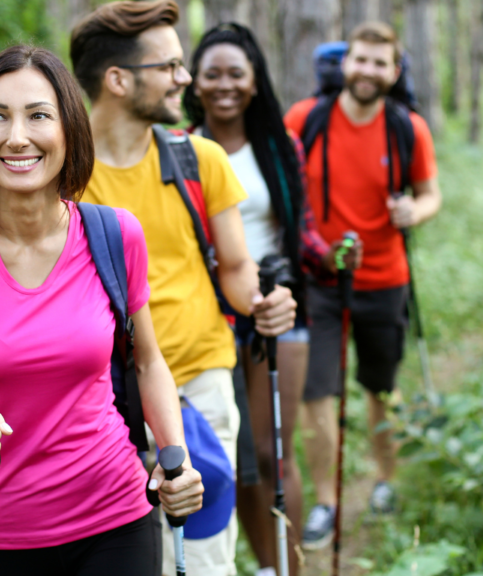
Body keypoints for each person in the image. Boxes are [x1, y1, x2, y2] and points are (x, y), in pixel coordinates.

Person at [0, 45, 203, 576]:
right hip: (4, 530)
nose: (17, 136)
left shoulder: (115, 235)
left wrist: (175, 459)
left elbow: (148, 362)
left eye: (38, 115)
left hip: (118, 514)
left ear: (69, 132)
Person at [70, 4, 298, 575]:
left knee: (200, 562)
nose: (185, 77)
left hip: (200, 382)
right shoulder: (63, 173)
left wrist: (263, 303)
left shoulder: (201, 160)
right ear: (118, 80)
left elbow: (237, 270)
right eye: (169, 65)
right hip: (99, 404)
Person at [183, 23, 360, 576]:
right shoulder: (179, 149)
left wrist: (329, 258)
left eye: (236, 73)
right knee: (234, 458)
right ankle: (262, 564)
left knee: (269, 452)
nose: (224, 85)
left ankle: (290, 568)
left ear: (255, 81)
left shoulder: (281, 147)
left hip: (280, 308)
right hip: (210, 313)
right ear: (196, 82)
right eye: (213, 74)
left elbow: (299, 230)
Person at [284, 21, 442, 548]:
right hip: (319, 279)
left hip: (385, 278)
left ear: (395, 72)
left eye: (380, 63)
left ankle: (386, 481)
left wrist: (412, 211)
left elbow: (430, 194)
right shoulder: (306, 119)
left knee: (380, 389)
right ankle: (327, 502)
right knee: (315, 394)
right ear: (343, 63)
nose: (368, 71)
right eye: (361, 60)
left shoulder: (407, 128)